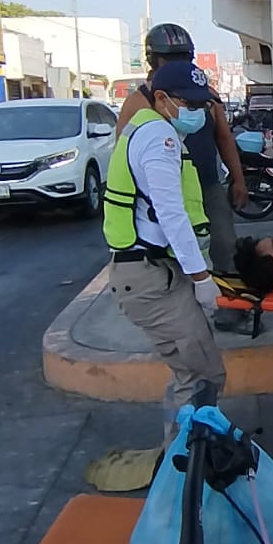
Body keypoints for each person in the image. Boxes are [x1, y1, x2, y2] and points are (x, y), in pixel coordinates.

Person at [91, 60, 228, 491]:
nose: (199, 112)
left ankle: (181, 454)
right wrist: (202, 278)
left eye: (203, 105)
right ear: (164, 99)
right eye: (191, 104)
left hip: (153, 271)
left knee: (190, 374)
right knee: (202, 375)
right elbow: (171, 214)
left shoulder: (151, 130)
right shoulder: (159, 137)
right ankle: (185, 471)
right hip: (150, 276)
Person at [115, 24, 250, 333]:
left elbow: (224, 138)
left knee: (224, 245)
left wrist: (238, 179)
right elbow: (124, 153)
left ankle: (231, 307)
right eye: (170, 58)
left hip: (207, 184)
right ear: (154, 60)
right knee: (171, 252)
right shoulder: (139, 102)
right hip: (162, 194)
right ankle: (184, 309)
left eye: (183, 57)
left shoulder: (204, 95)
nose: (178, 63)